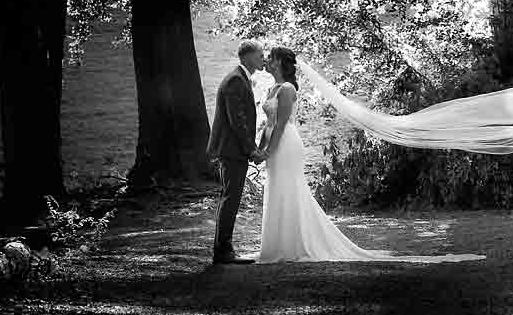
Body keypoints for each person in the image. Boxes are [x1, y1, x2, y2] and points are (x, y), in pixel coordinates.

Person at [251, 46, 485, 263]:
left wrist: (268, 150)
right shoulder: (271, 88)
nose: (267, 61)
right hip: (274, 143)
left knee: (289, 188)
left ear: (280, 62)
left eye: (271, 57)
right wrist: (260, 149)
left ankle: (295, 244)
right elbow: (268, 125)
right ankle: (277, 244)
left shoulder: (288, 89)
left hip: (286, 144)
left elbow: (281, 125)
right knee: (277, 187)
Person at [206, 40, 268, 264]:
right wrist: (251, 150)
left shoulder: (240, 79)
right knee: (230, 199)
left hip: (232, 150)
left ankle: (223, 250)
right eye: (260, 55)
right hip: (231, 151)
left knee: (229, 198)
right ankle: (223, 252)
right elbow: (237, 122)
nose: (264, 58)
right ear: (248, 57)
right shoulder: (235, 80)